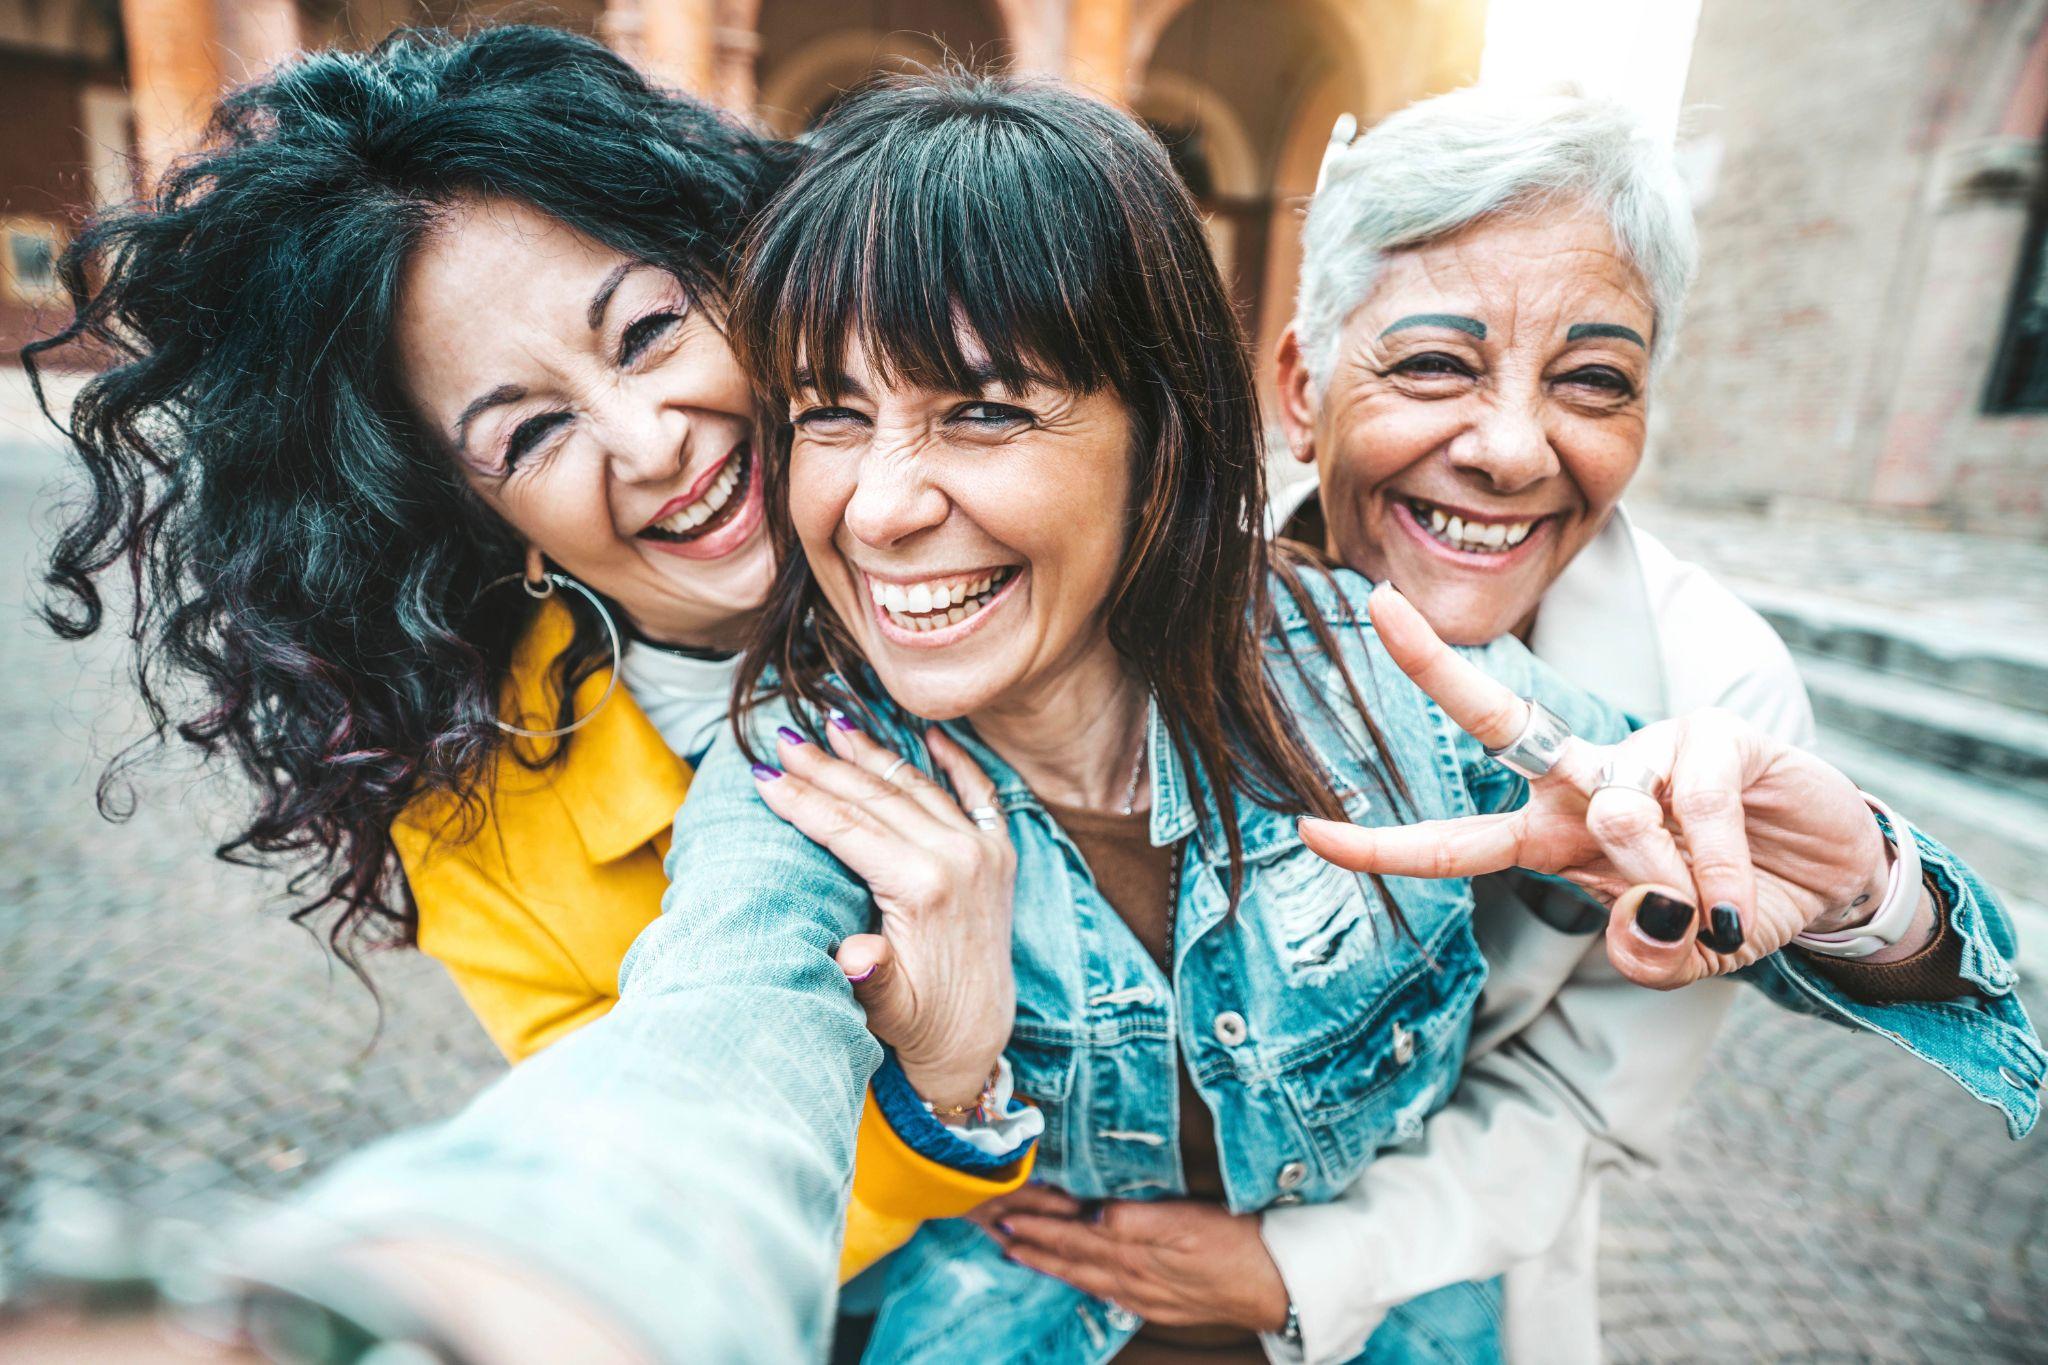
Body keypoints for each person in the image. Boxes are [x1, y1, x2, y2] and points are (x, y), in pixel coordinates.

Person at [217, 71, 2033, 1365]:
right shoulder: (815, 784)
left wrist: (1864, 890)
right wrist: (443, 1291)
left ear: (1168, 436)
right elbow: (696, 1072)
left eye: (984, 410)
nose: (872, 503)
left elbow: (1885, 966)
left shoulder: (1370, 666)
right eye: (831, 415)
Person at [982, 89, 2039, 1363]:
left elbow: (1587, 1095)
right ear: (1301, 386)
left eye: (1593, 381)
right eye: (1433, 364)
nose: (1508, 449)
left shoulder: (1710, 692)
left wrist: (1866, 891)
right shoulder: (1156, 588)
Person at [19, 23, 1033, 1285]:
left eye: (648, 330)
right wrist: (941, 1082)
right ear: (467, 510)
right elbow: (642, 1195)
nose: (648, 440)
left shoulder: (1026, 528)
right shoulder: (478, 828)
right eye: (532, 431)